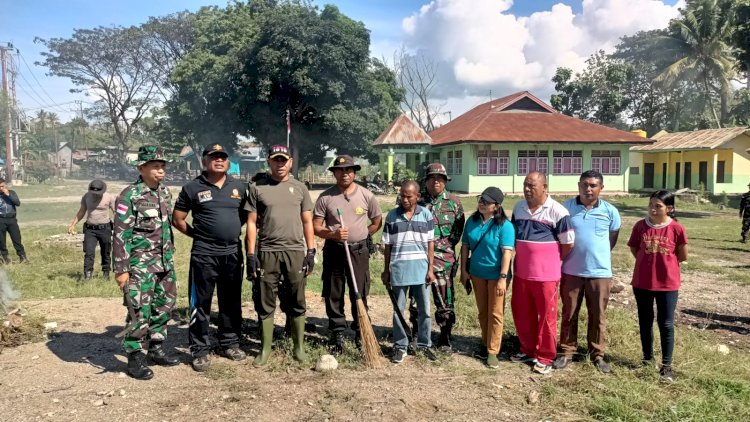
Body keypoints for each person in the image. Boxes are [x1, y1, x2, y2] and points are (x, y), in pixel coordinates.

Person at [173, 143, 248, 372]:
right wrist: (199, 235)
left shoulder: (239, 187)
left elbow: (245, 217)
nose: (219, 160)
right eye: (213, 156)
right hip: (204, 255)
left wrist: (228, 231)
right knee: (200, 303)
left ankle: (229, 343)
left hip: (233, 253)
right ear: (204, 160)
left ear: (227, 161)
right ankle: (200, 349)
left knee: (231, 301)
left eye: (222, 157)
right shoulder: (192, 188)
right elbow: (178, 219)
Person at [246, 144, 316, 366]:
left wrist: (311, 251)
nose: (280, 164)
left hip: (295, 250)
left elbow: (307, 221)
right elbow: (251, 222)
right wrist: (250, 254)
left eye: (284, 160)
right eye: (276, 160)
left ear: (290, 162)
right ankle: (265, 349)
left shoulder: (300, 188)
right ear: (269, 161)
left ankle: (299, 347)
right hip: (268, 251)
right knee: (265, 299)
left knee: (297, 297)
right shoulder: (257, 187)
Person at [113, 145, 179, 380]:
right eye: (155, 166)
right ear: (141, 168)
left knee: (164, 306)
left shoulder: (165, 193)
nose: (161, 171)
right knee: (139, 310)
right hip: (140, 265)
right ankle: (135, 356)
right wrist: (121, 269)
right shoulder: (129, 195)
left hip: (164, 262)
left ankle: (156, 347)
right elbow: (121, 234)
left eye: (163, 167)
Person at [313, 155, 382, 355]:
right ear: (334, 173)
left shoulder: (366, 195)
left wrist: (363, 235)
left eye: (349, 170)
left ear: (354, 173)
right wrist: (332, 234)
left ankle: (362, 333)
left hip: (358, 251)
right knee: (334, 293)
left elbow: (377, 221)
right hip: (334, 250)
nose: (345, 174)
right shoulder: (325, 197)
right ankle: (337, 334)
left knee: (359, 291)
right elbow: (316, 227)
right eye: (340, 170)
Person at [555, 170, 621, 373]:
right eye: (584, 184)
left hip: (599, 272)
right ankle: (566, 351)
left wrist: (596, 255)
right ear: (578, 185)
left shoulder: (610, 211)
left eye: (593, 185)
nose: (588, 189)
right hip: (571, 270)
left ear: (601, 188)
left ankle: (597, 354)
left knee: (598, 315)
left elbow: (612, 237)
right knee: (569, 312)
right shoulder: (566, 208)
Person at [510, 171, 574, 375]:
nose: (527, 189)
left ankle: (545, 355)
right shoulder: (518, 208)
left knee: (546, 317)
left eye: (532, 186)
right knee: (522, 313)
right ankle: (527, 349)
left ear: (545, 187)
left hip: (546, 276)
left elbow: (568, 244)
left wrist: (548, 260)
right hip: (521, 273)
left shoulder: (558, 212)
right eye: (525, 185)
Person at [627, 190, 688, 382]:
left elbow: (683, 255)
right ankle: (647, 359)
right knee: (645, 321)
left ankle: (666, 366)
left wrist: (663, 265)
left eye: (658, 206)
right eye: (651, 205)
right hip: (642, 282)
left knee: (666, 323)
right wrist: (647, 262)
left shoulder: (676, 229)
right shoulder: (640, 226)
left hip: (667, 284)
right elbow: (635, 248)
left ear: (669, 209)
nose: (653, 209)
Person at [409, 163, 465, 353]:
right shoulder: (416, 201)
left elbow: (457, 234)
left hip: (444, 261)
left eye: (440, 178)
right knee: (416, 301)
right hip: (418, 258)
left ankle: (445, 338)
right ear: (425, 181)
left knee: (444, 301)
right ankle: (417, 335)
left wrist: (440, 250)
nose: (436, 182)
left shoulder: (454, 203)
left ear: (445, 181)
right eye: (432, 178)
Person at [382, 180, 437, 364]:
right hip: (399, 269)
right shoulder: (392, 216)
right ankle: (400, 346)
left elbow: (431, 243)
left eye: (409, 196)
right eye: (402, 195)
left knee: (424, 310)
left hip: (421, 270)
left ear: (417, 196)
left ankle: (424, 344)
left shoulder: (426, 215)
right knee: (398, 310)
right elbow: (388, 246)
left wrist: (430, 269)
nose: (404, 199)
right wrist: (386, 270)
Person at [460, 187, 514, 369]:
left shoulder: (505, 226)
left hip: (497, 275)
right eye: (481, 200)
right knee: (483, 311)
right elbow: (465, 247)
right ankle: (485, 342)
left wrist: (502, 277)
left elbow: (507, 253)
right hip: (477, 274)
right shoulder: (472, 222)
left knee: (496, 312)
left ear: (496, 206)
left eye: (487, 201)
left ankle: (493, 351)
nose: (482, 203)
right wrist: (463, 271)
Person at [68, 179, 116, 280]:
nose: (96, 194)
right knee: (89, 252)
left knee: (106, 252)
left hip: (105, 228)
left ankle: (106, 274)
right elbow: (82, 211)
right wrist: (73, 224)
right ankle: (87, 275)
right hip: (90, 229)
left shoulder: (109, 197)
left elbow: (116, 212)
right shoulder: (86, 197)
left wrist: (119, 226)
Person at [0, 178, 28, 264]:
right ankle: (4, 258)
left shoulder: (12, 193)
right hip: (1, 220)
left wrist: (8, 194)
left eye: (2, 186)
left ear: (6, 186)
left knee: (17, 239)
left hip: (11, 219)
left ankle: (23, 257)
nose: (1, 188)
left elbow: (17, 203)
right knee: (1, 241)